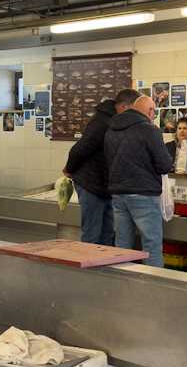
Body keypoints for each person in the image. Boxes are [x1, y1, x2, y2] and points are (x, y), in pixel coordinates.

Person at [63, 89, 139, 245]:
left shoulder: (118, 121)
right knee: (92, 233)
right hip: (91, 184)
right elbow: (81, 148)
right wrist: (69, 169)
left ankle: (104, 261)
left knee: (107, 232)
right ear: (124, 107)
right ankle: (88, 261)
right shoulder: (102, 121)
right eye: (136, 109)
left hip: (106, 186)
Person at [104, 95, 173, 268]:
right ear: (149, 111)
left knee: (122, 245)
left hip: (118, 193)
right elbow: (164, 165)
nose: (154, 116)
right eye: (154, 113)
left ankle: (122, 281)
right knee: (151, 245)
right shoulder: (149, 130)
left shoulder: (112, 129)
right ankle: (153, 282)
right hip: (144, 193)